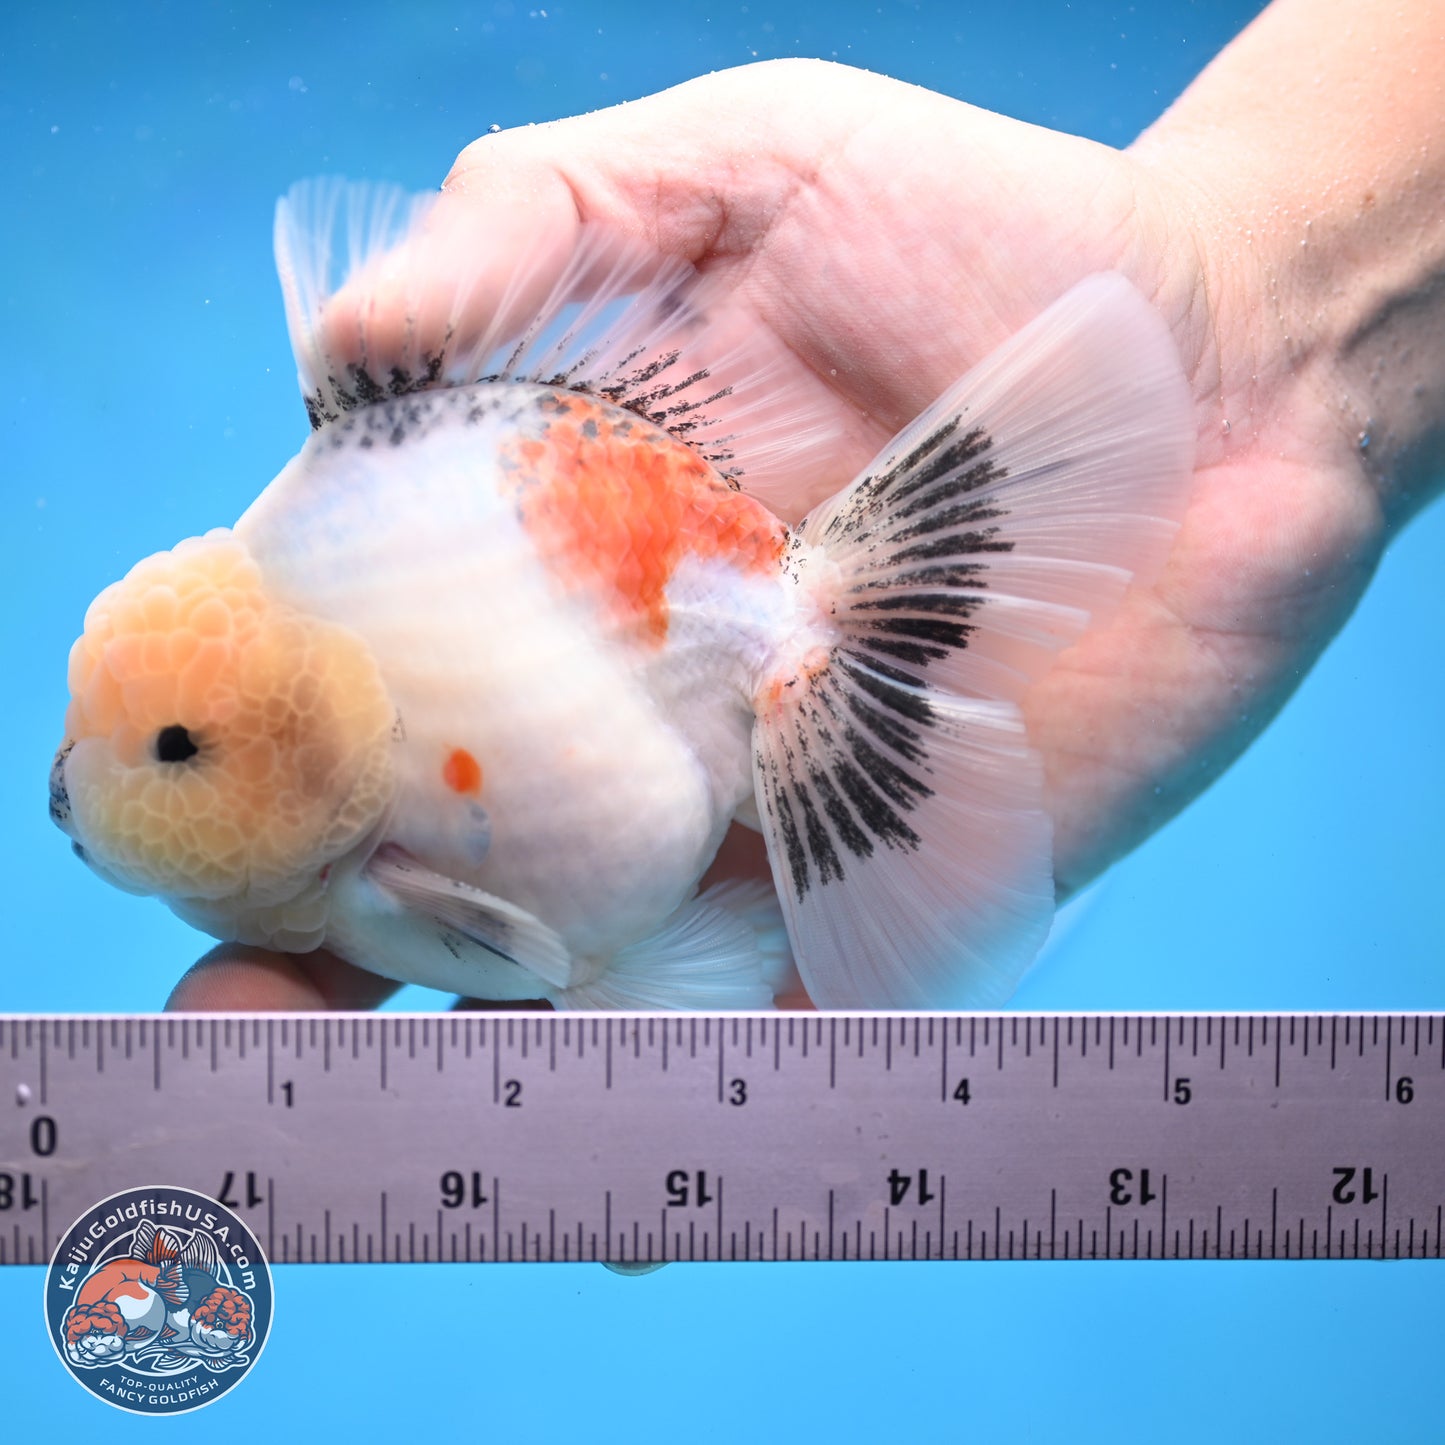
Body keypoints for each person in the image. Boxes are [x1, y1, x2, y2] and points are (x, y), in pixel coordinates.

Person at [167, 0, 1443, 1011]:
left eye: (180, 748)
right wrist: (1265, 337)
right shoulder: (291, 573)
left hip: (713, 589)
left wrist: (1247, 314)